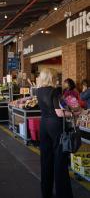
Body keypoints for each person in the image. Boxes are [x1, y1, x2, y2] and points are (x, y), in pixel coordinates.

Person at [37, 68, 73, 198]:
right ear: (52, 77)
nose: (57, 78)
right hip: (55, 126)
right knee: (60, 160)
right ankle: (63, 194)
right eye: (56, 76)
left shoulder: (38, 91)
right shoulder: (55, 91)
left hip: (44, 126)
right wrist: (74, 113)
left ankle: (46, 193)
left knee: (46, 160)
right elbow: (59, 111)